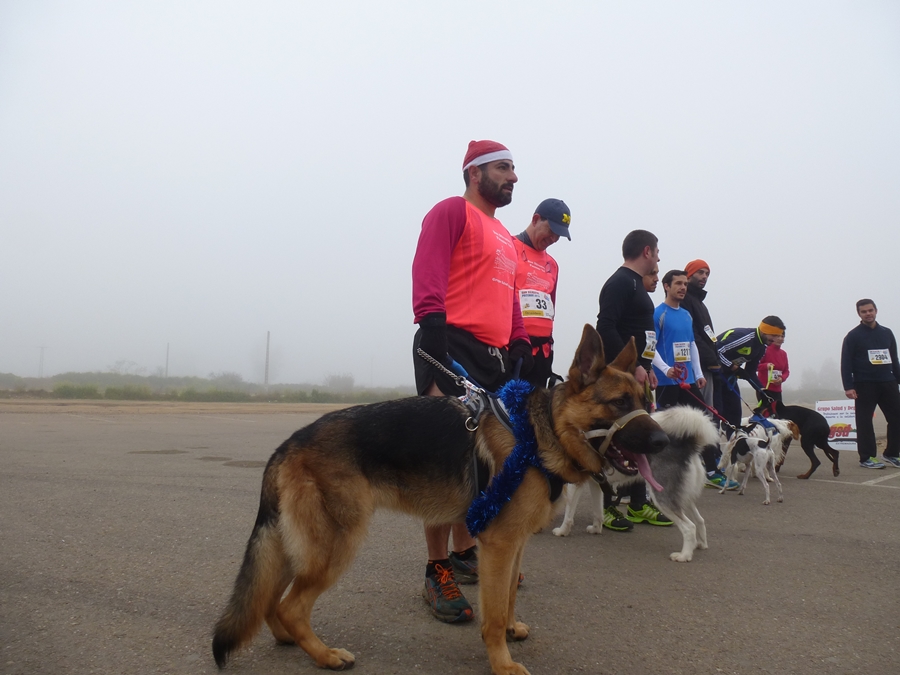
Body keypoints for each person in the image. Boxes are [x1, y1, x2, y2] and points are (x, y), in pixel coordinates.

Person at [411, 139, 533, 623]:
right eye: (504, 167)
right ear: (474, 172)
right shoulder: (450, 212)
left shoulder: (504, 235)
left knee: (483, 465)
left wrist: (521, 343)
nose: (514, 177)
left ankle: (465, 553)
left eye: (514, 168)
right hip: (449, 345)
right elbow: (428, 269)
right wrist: (432, 325)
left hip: (494, 358)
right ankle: (436, 569)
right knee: (445, 464)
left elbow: (510, 295)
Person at [595, 230, 671, 531]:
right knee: (615, 440)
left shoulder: (637, 285)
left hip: (639, 377)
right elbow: (606, 328)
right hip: (623, 380)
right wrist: (634, 366)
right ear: (647, 251)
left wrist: (647, 366)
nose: (659, 258)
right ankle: (609, 505)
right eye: (657, 252)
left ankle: (639, 503)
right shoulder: (620, 282)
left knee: (640, 440)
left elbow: (641, 333)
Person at [513, 198, 571, 388]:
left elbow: (550, 310)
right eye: (552, 231)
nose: (554, 239)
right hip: (514, 350)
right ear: (536, 219)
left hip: (542, 354)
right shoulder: (508, 247)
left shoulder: (552, 264)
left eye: (559, 235)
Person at [840, 299, 900, 469]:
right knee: (865, 421)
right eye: (864, 311)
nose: (868, 314)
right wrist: (848, 386)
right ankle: (867, 457)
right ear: (859, 314)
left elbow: (894, 359)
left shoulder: (887, 333)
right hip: (864, 384)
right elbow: (846, 363)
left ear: (876, 311)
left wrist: (898, 378)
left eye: (870, 310)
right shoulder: (853, 336)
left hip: (888, 382)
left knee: (897, 418)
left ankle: (892, 454)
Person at [716, 317, 786, 436]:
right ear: (765, 331)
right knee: (716, 412)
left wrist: (762, 390)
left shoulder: (761, 348)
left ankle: (734, 445)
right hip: (712, 374)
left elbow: (750, 371)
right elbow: (715, 351)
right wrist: (733, 367)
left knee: (735, 413)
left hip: (729, 377)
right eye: (773, 335)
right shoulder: (745, 337)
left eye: (778, 336)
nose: (775, 340)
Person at [680, 260, 722, 414]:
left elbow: (708, 335)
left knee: (709, 410)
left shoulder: (700, 303)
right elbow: (692, 335)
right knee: (700, 413)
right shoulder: (685, 299)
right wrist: (710, 359)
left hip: (708, 365)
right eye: (700, 272)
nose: (704, 277)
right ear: (689, 275)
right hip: (696, 366)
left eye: (707, 274)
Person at [756, 333, 790, 403]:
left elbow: (786, 371)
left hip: (777, 390)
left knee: (778, 413)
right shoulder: (764, 350)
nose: (780, 338)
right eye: (777, 336)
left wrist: (781, 378)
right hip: (764, 388)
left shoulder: (783, 354)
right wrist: (766, 366)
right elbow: (755, 366)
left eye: (782, 337)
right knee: (766, 412)